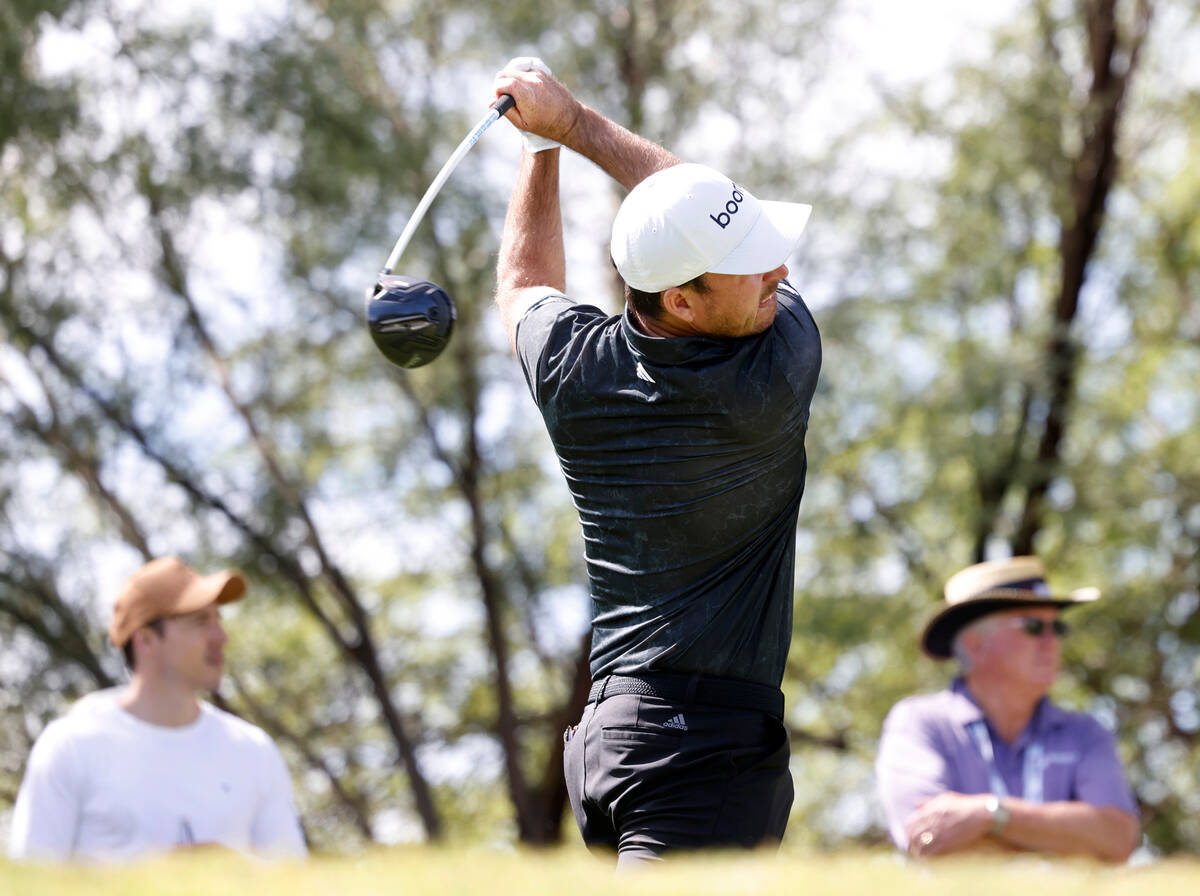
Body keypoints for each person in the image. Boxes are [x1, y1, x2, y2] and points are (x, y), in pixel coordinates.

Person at [491, 59, 821, 866]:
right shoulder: (772, 369)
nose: (778, 270)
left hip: (613, 736)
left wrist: (540, 151)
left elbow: (524, 283)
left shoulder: (578, 371)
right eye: (755, 264)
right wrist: (570, 127)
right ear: (682, 300)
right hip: (698, 747)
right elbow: (680, 190)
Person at [8, 556, 307, 863]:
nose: (221, 637)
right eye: (201, 622)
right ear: (147, 640)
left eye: (218, 620)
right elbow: (29, 880)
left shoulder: (253, 750)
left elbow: (294, 880)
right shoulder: (71, 745)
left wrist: (230, 868)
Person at [875, 556, 1140, 862]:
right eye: (1033, 626)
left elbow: (1118, 838)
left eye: (1057, 627)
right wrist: (1067, 837)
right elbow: (928, 838)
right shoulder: (920, 722)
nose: (1051, 641)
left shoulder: (1085, 732)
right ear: (975, 645)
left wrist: (990, 815)